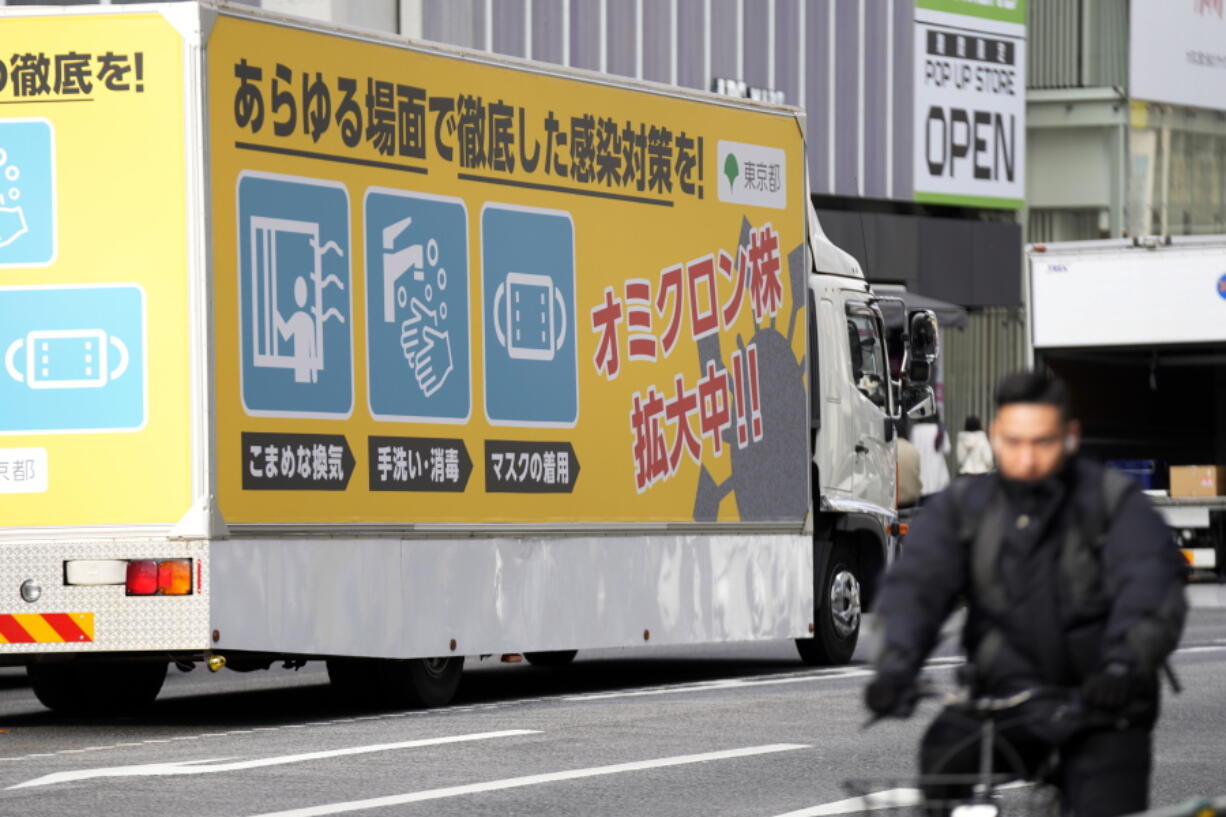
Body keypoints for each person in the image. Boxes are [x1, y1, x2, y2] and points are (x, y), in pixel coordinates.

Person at [865, 371, 1187, 817]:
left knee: (1105, 801)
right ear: (996, 436)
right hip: (1003, 704)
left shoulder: (1112, 501)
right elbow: (917, 585)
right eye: (1013, 443)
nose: (1027, 458)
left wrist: (1123, 665)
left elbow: (1150, 585)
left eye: (1043, 442)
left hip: (1101, 707)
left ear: (1070, 436)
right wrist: (895, 666)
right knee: (941, 761)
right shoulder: (967, 506)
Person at [909, 415, 951, 499]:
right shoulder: (939, 429)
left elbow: (912, 451)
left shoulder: (915, 430)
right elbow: (947, 449)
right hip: (939, 479)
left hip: (921, 480)